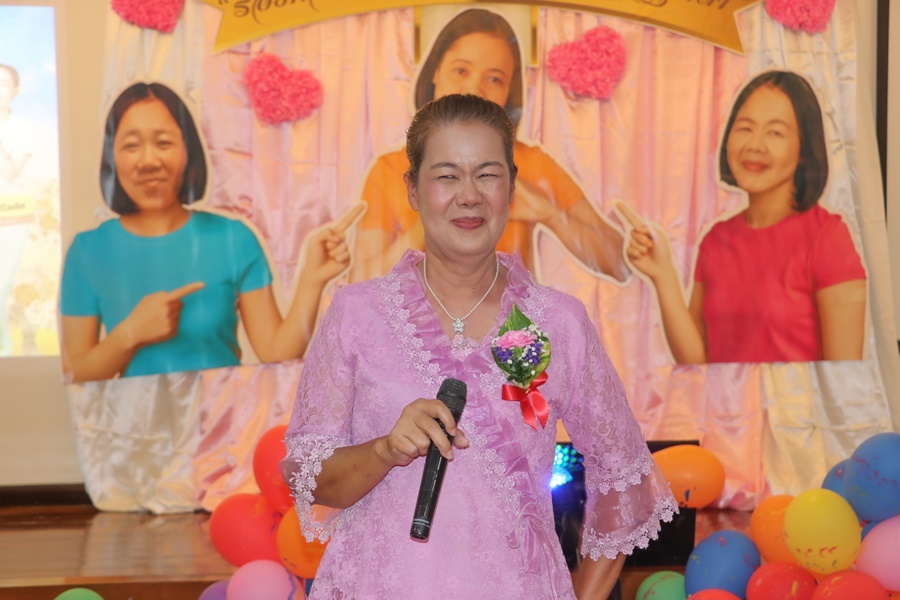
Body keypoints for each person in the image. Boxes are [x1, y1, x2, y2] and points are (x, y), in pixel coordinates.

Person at [280, 94, 676, 599]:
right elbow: (311, 478)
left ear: (511, 187)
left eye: (487, 174)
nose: (469, 196)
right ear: (413, 189)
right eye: (447, 176)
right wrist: (385, 449)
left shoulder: (557, 322)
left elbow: (624, 475)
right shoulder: (357, 314)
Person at [60, 82, 360, 381]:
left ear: (188, 152)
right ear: (112, 157)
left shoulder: (233, 239)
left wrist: (311, 280)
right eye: (131, 146)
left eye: (163, 143)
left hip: (224, 411)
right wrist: (131, 333)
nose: (149, 161)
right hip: (135, 414)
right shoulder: (87, 251)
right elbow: (76, 372)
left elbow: (277, 353)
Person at [350, 8, 630, 284]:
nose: (474, 88)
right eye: (461, 70)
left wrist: (550, 214)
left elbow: (620, 263)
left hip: (511, 316)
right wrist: (432, 219)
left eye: (494, 78)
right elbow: (359, 285)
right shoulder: (389, 170)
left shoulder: (531, 163)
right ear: (435, 71)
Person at [619, 71, 867, 363]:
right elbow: (697, 362)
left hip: (795, 397)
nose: (754, 145)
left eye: (775, 132)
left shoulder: (827, 237)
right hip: (722, 396)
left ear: (804, 148)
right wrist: (663, 276)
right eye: (745, 128)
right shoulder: (715, 240)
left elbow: (843, 374)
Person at [0, 63, 37, 355]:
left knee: (2, 283)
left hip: (10, 213)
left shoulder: (23, 127)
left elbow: (9, 173)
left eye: (3, 84)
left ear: (15, 91)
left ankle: (5, 352)